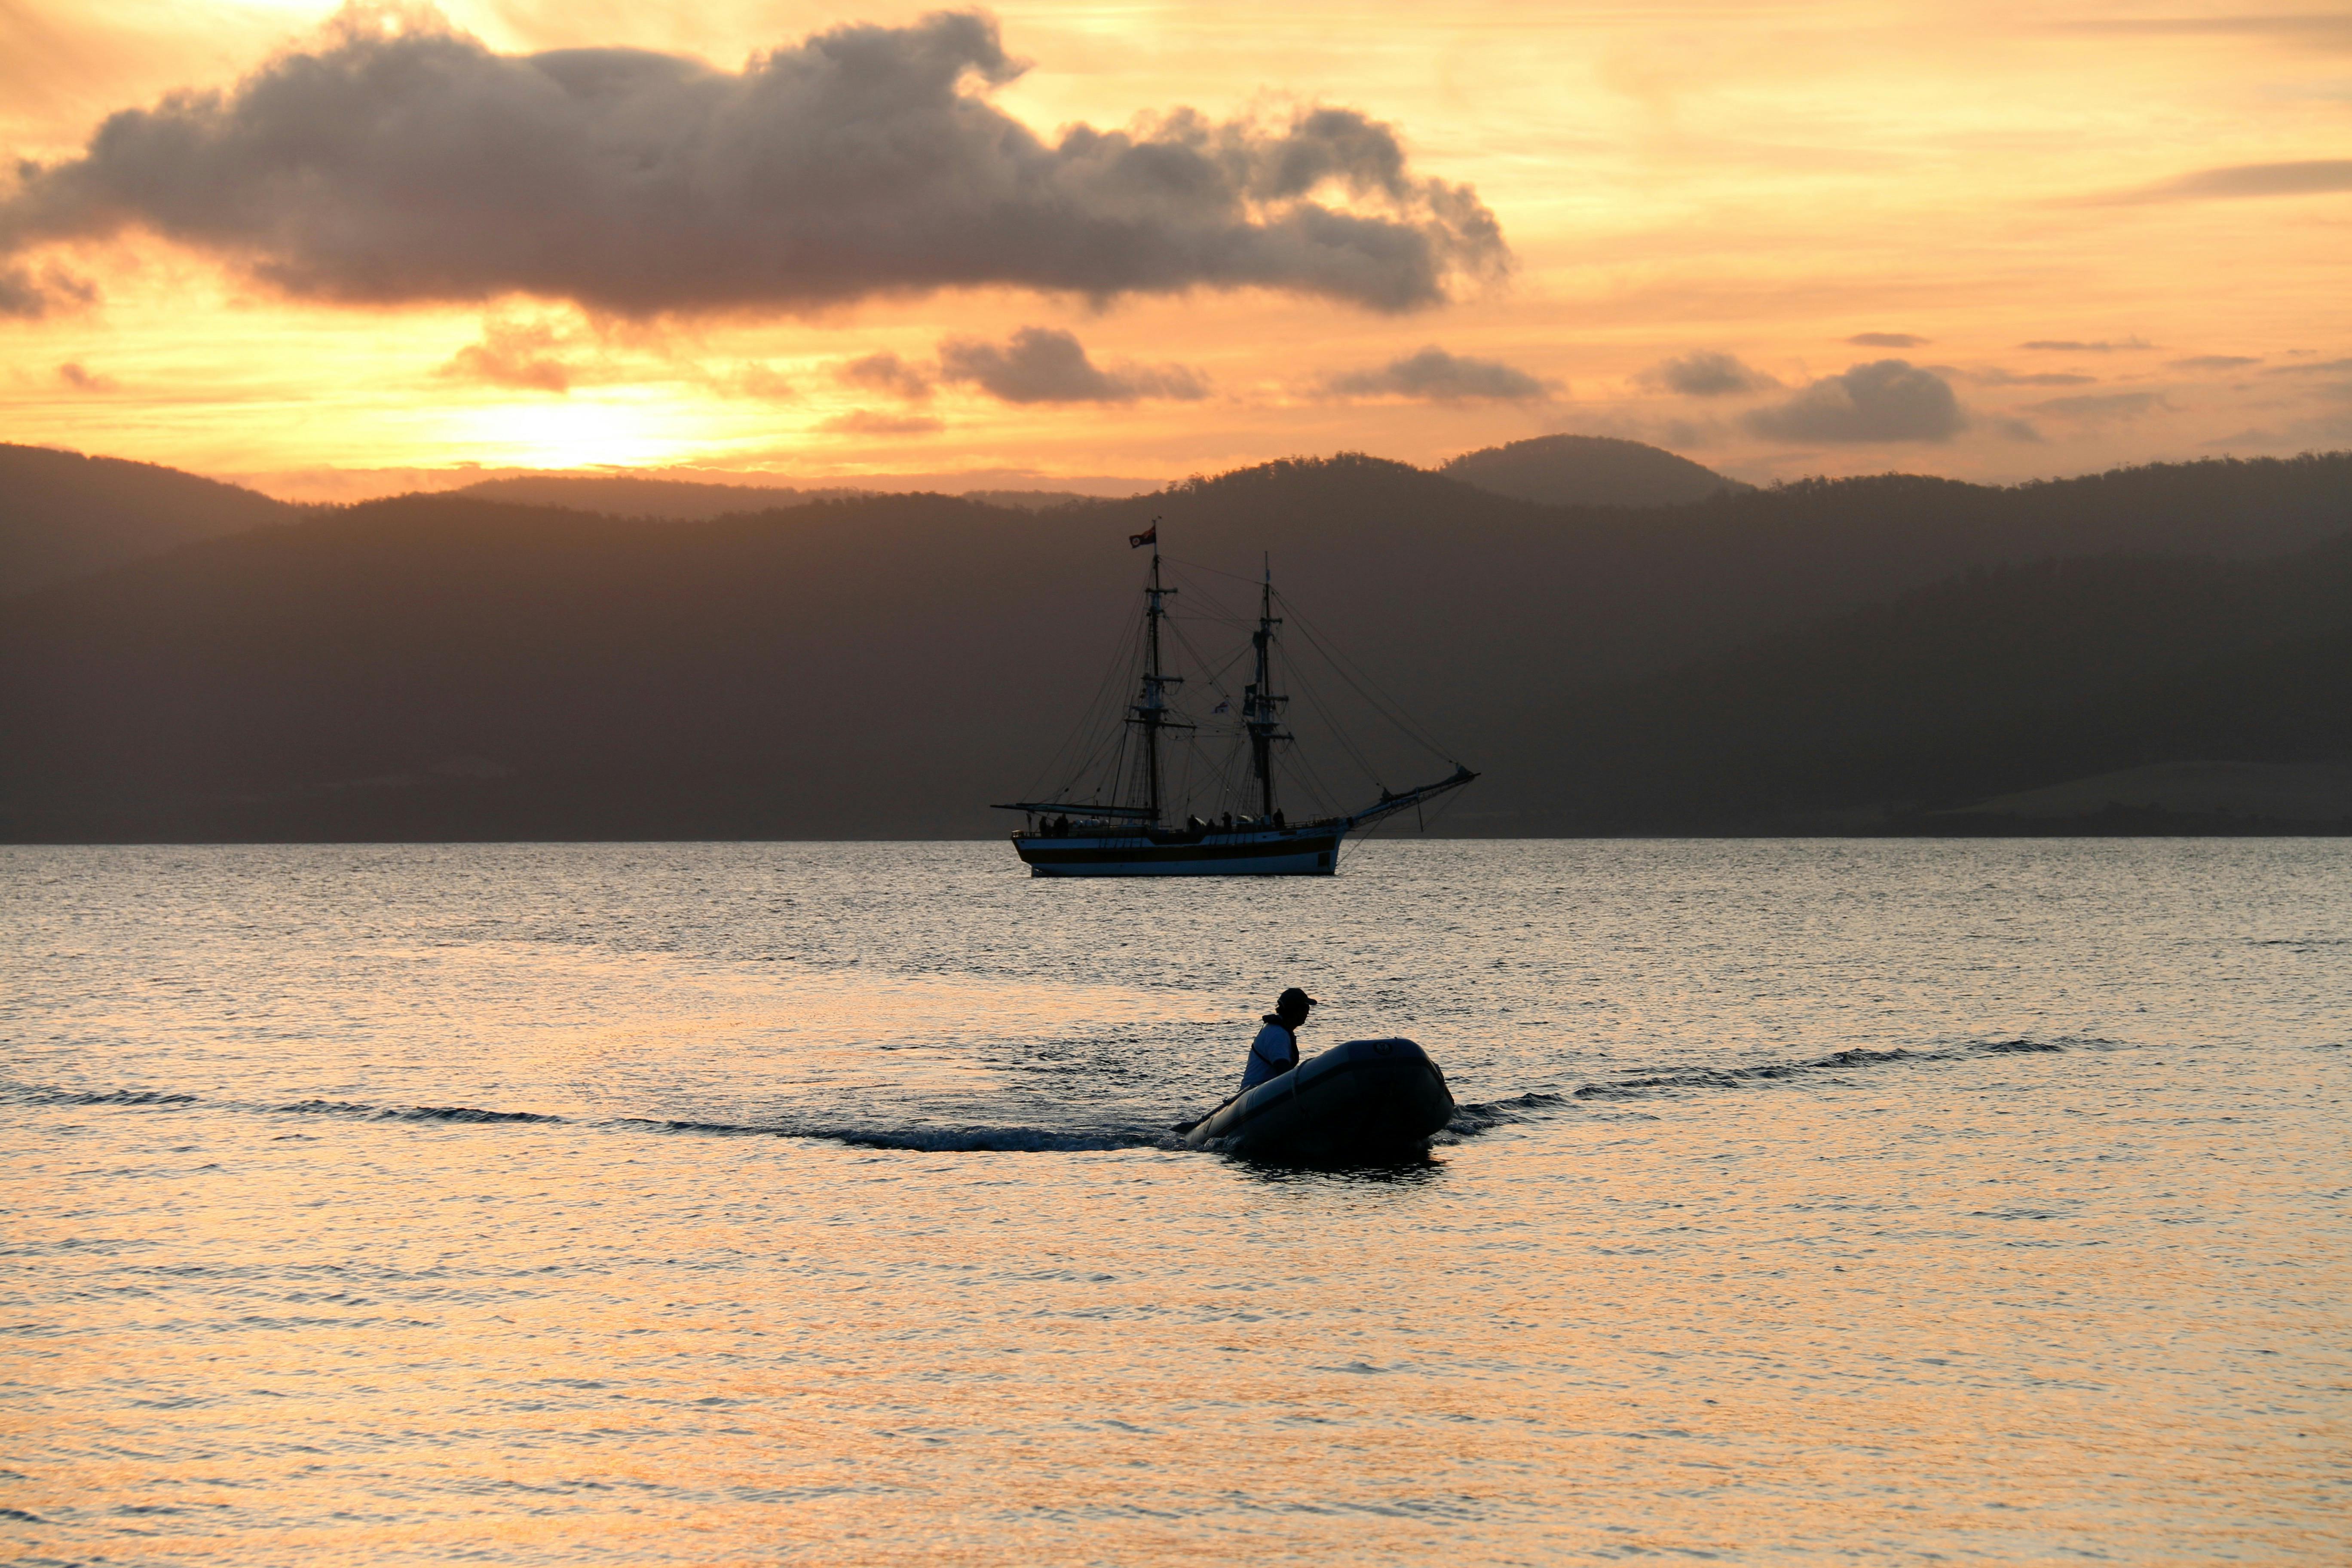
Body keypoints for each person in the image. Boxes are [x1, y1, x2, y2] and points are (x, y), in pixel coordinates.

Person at [1239, 987, 1317, 1089]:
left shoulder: (1281, 1031)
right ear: (1294, 1010)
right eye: (1305, 1008)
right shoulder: (1278, 1034)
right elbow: (1283, 1070)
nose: (1308, 1012)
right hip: (1257, 1092)